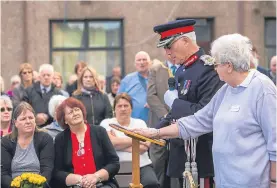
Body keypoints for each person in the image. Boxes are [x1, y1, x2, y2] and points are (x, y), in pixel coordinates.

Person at [133, 33, 276, 188]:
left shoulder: (261, 88)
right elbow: (199, 121)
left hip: (253, 182)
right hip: (225, 180)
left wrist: (274, 181)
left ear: (228, 66)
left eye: (217, 64)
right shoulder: (226, 91)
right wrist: (156, 133)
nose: (214, 69)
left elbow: (274, 140)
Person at [150, 19, 224, 187]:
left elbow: (204, 113)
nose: (167, 53)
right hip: (181, 150)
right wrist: (154, 131)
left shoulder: (208, 69)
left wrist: (175, 102)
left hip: (200, 154)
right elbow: (175, 114)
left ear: (185, 41)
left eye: (169, 46)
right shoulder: (183, 69)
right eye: (165, 48)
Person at [53, 97, 120, 188]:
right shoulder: (60, 139)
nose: (75, 113)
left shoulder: (99, 132)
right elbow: (57, 172)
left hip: (101, 184)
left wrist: (95, 177)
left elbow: (114, 163)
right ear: (65, 120)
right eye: (70, 112)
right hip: (75, 185)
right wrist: (81, 180)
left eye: (77, 110)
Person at [100, 93, 160, 188]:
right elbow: (111, 144)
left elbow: (145, 147)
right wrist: (138, 140)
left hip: (142, 165)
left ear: (131, 108)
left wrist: (118, 144)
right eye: (119, 106)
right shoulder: (107, 123)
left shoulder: (140, 123)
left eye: (126, 106)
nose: (123, 109)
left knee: (152, 184)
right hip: (116, 167)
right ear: (114, 109)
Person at [1, 102, 54, 187]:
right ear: (15, 122)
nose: (28, 121)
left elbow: (47, 170)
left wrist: (36, 186)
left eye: (31, 118)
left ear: (35, 120)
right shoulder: (5, 141)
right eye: (23, 119)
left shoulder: (45, 138)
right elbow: (3, 174)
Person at [147, 55, 180, 188]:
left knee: (177, 163)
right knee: (157, 163)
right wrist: (166, 116)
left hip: (180, 124)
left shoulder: (185, 69)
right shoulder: (156, 69)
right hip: (158, 124)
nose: (171, 54)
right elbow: (151, 96)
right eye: (167, 50)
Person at [118, 51, 151, 123]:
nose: (141, 62)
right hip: (134, 124)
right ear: (135, 64)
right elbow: (118, 101)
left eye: (144, 59)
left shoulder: (157, 78)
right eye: (139, 60)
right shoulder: (127, 80)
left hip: (155, 123)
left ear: (149, 62)